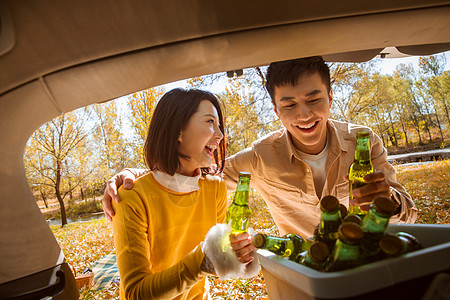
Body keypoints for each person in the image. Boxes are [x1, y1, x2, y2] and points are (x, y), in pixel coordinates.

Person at [103, 56, 417, 241]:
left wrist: (388, 201)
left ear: (330, 97)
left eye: (313, 99)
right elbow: (194, 173)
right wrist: (134, 174)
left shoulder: (365, 141)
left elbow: (410, 214)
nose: (304, 115)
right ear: (276, 110)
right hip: (304, 270)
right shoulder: (260, 156)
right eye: (290, 104)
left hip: (367, 259)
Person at [110, 88, 259, 300]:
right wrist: (202, 261)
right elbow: (136, 293)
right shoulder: (131, 197)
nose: (220, 135)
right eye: (209, 122)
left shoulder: (215, 189)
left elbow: (219, 259)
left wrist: (240, 252)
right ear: (178, 130)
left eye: (219, 126)